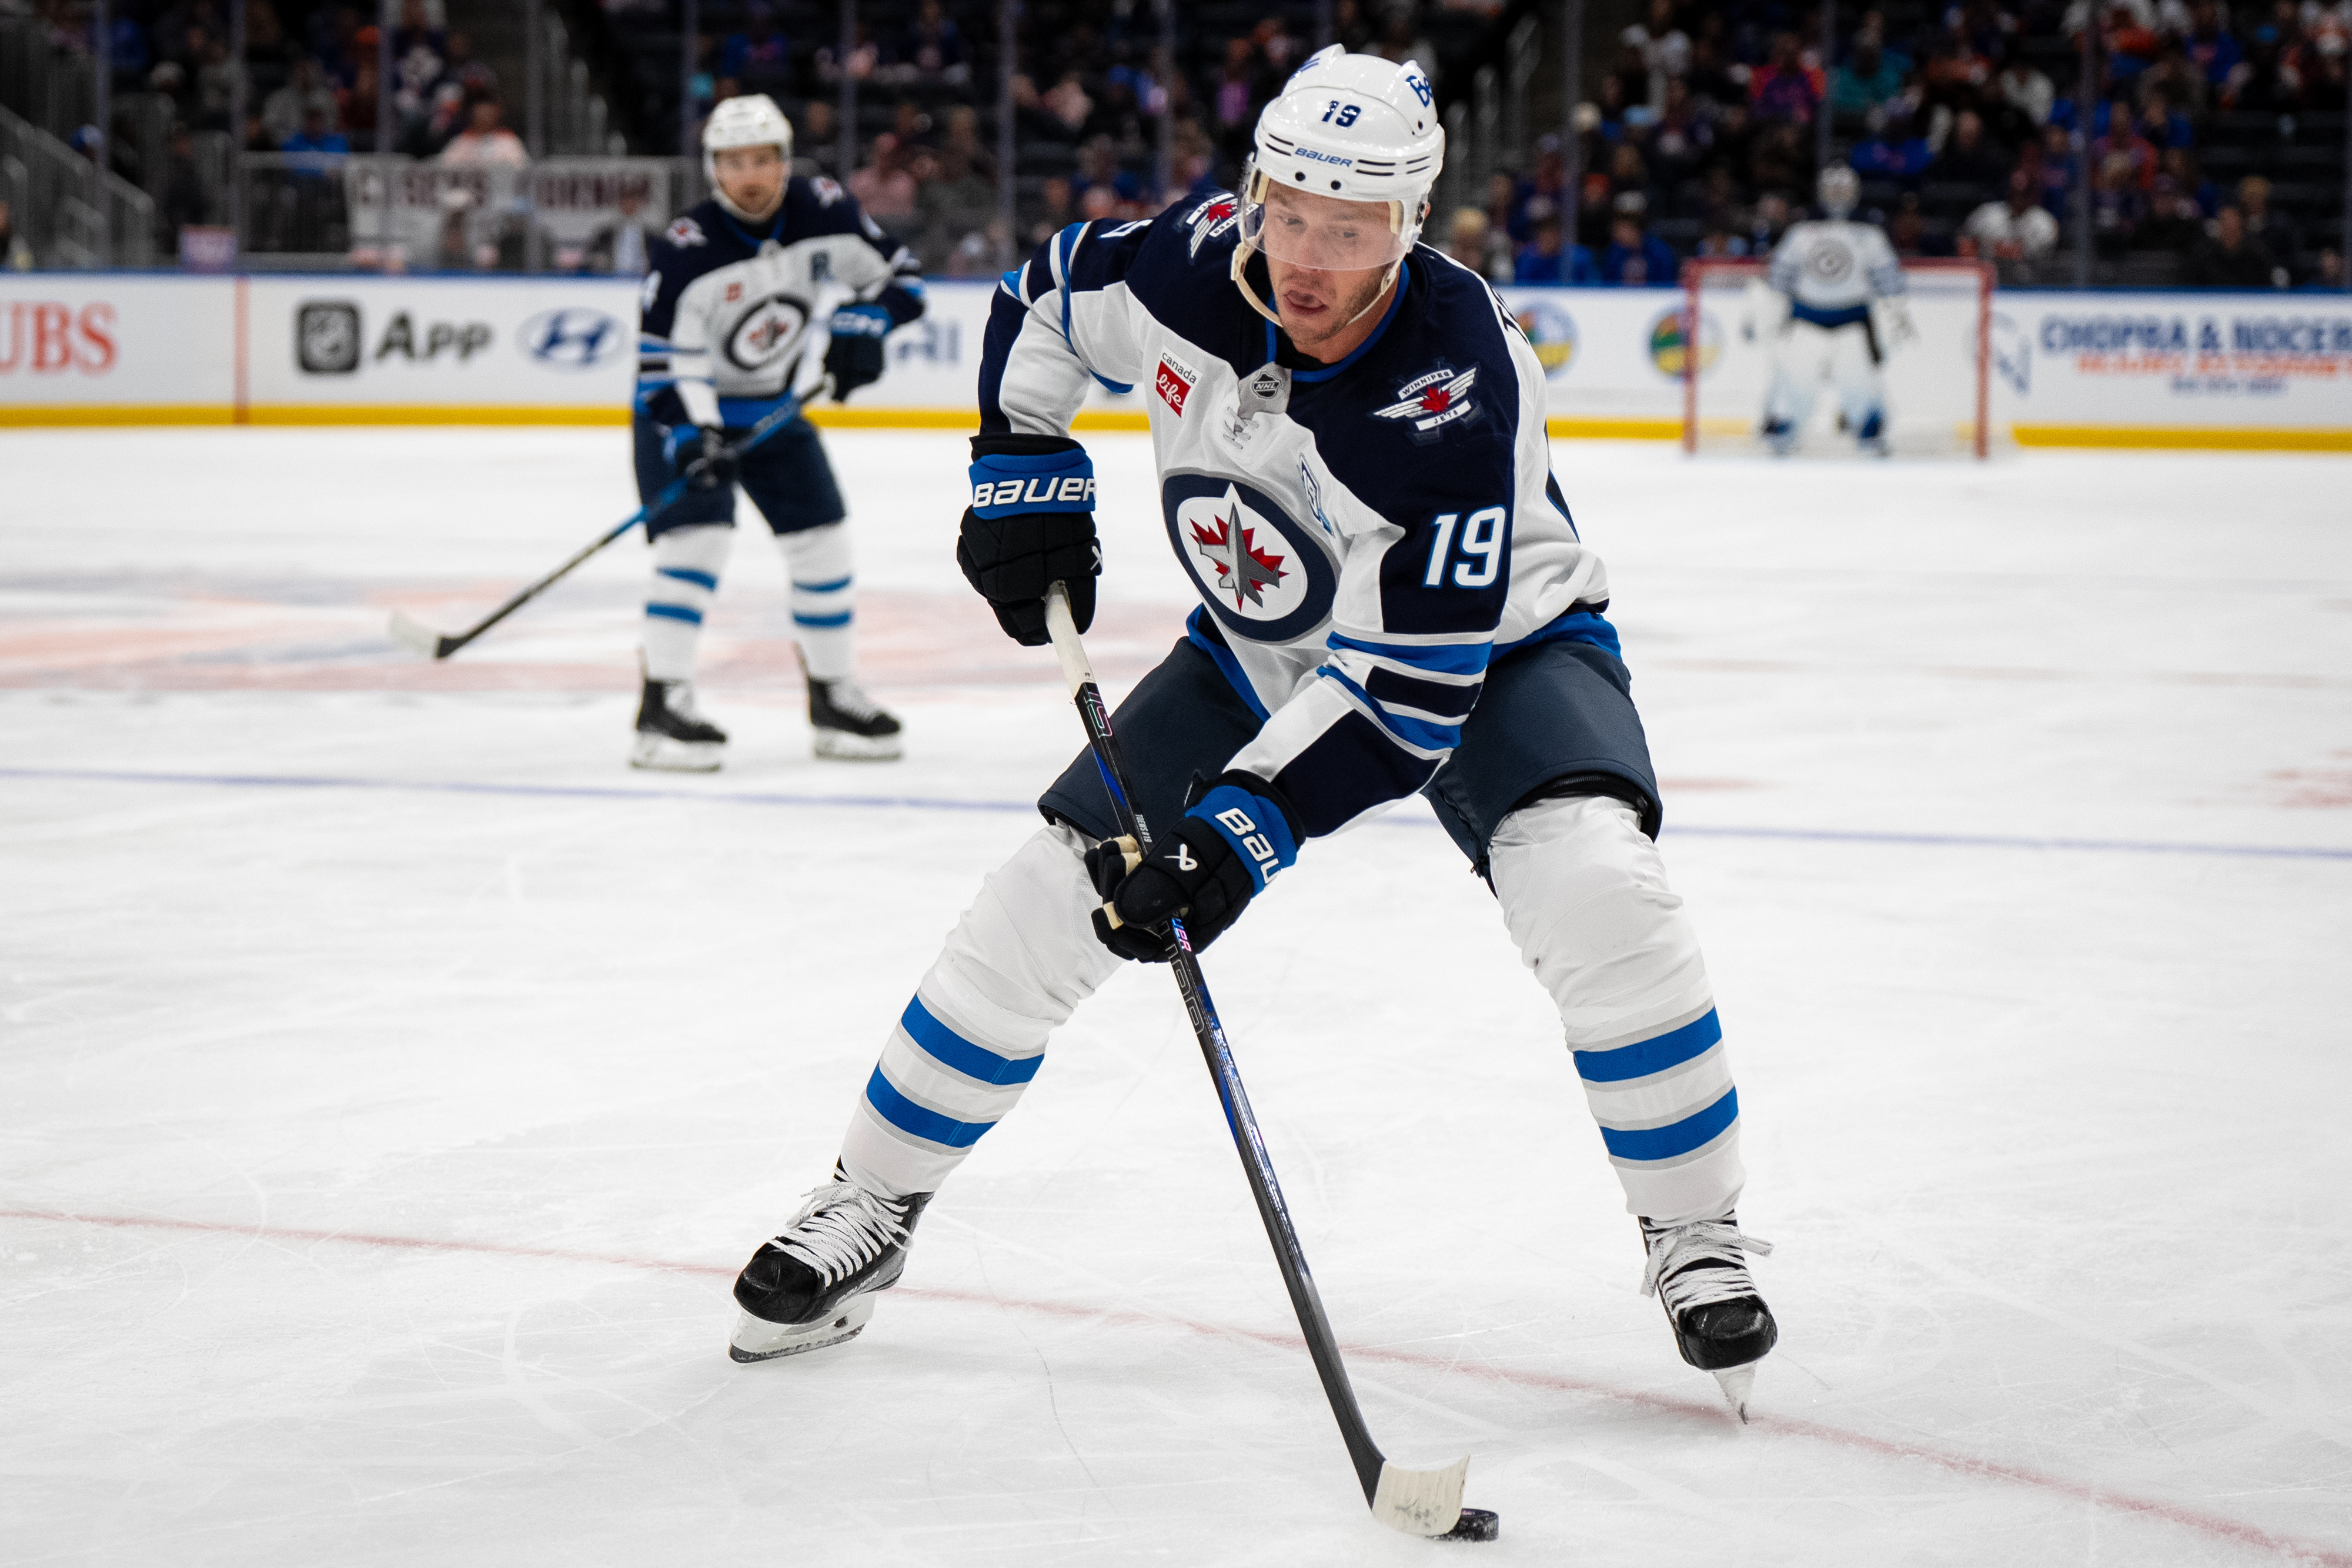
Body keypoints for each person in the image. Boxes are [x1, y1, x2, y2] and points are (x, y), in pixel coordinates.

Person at [721, 47, 1779, 1423]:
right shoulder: (1183, 265)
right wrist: (1022, 467)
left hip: (1493, 653)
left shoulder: (1452, 388)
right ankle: (869, 1201)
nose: (1308, 261)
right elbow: (1043, 298)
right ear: (1254, 191)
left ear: (1411, 223)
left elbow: (1407, 690)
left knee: (1593, 883)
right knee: (1044, 898)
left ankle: (1692, 1229)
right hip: (1257, 648)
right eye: (1290, 216)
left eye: (1350, 232)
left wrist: (1238, 834)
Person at [630, 93, 922, 769]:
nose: (750, 176)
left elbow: (902, 280)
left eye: (762, 160)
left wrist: (868, 320)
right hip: (683, 414)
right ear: (713, 168)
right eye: (734, 163)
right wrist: (693, 437)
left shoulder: (825, 212)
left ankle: (832, 697)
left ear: (785, 161)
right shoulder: (686, 250)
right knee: (697, 544)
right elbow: (663, 366)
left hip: (774, 411)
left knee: (824, 546)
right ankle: (661, 707)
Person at [1755, 166, 1915, 455]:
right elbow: (1779, 278)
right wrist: (1766, 313)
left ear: (1855, 193)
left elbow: (1889, 282)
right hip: (1806, 319)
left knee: (1859, 380)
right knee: (1795, 376)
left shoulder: (1870, 235)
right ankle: (1784, 425)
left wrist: (1897, 315)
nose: (1838, 197)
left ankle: (1869, 427)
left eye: (1843, 191)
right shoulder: (1801, 233)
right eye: (1832, 190)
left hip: (1854, 322)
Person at [1960, 168, 2062, 278]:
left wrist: (2008, 250)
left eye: (2024, 193)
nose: (2018, 198)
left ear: (2032, 194)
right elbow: (1965, 244)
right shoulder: (1987, 214)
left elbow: (2040, 258)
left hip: (2029, 281)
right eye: (2015, 192)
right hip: (1988, 278)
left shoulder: (2045, 222)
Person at [2183, 203, 2285, 286]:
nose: (2230, 231)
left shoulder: (2256, 253)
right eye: (2226, 226)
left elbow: (2267, 287)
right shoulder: (2203, 254)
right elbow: (2189, 285)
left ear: (2241, 228)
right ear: (2220, 228)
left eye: (2234, 229)